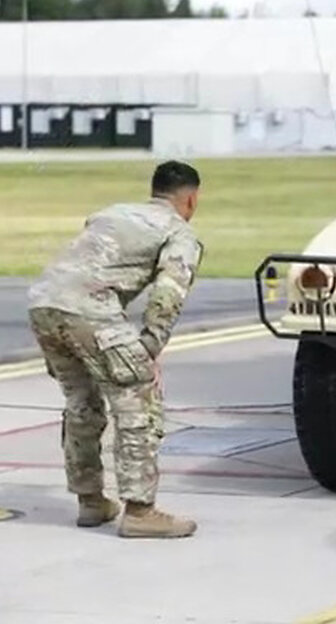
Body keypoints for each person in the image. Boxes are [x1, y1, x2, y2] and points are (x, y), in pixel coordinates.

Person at [27, 160, 204, 537]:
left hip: (43, 304)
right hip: (89, 309)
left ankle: (90, 501)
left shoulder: (111, 213)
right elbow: (169, 293)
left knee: (82, 403)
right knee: (138, 398)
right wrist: (150, 347)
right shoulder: (179, 231)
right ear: (191, 200)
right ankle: (141, 511)